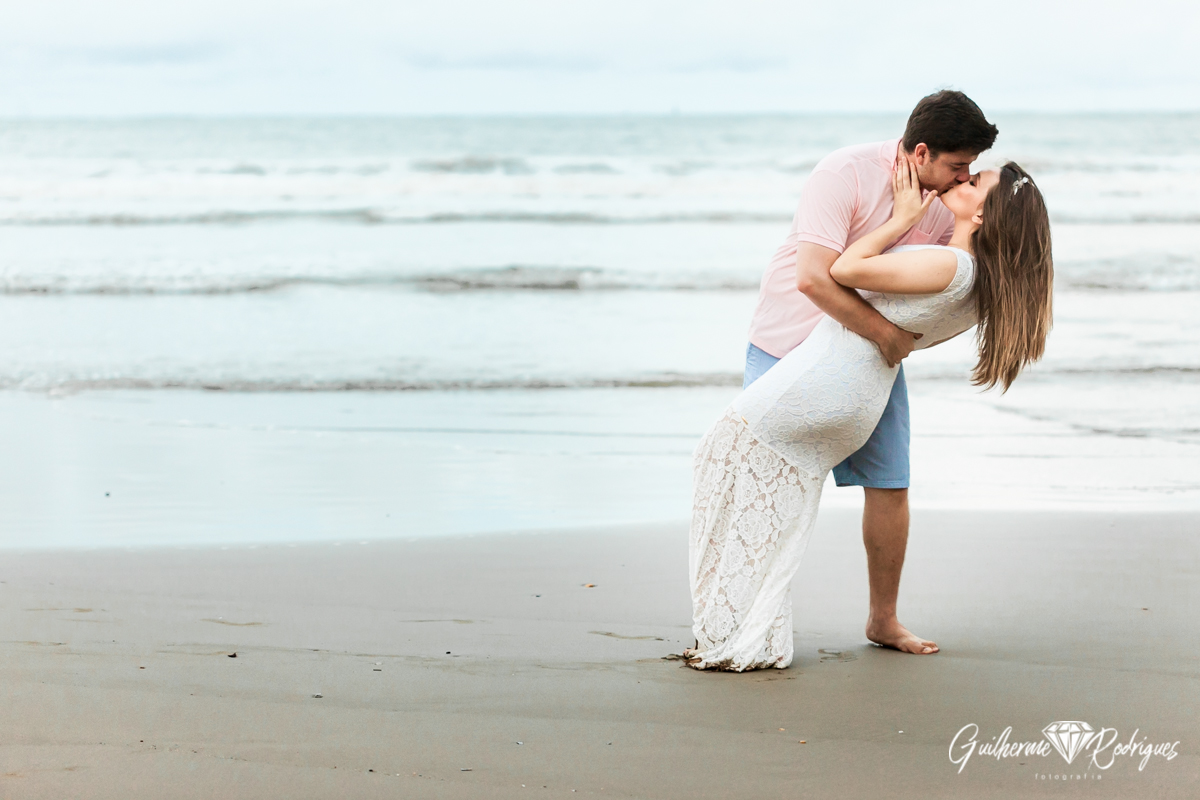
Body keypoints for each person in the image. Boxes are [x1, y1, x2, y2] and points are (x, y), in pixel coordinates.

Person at [684, 158, 1053, 671]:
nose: (962, 181)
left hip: (822, 386)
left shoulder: (947, 266)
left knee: (726, 465)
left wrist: (900, 218)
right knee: (779, 500)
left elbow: (842, 270)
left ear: (985, 217)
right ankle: (752, 625)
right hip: (860, 396)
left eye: (974, 182)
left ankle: (739, 633)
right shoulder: (982, 288)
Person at [741, 90, 998, 657]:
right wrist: (884, 334)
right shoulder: (844, 171)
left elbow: (928, 293)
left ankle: (883, 620)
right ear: (923, 150)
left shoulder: (945, 200)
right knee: (766, 486)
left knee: (889, 482)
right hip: (787, 341)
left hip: (863, 362)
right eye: (958, 166)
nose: (965, 177)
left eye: (972, 169)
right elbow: (814, 277)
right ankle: (750, 616)